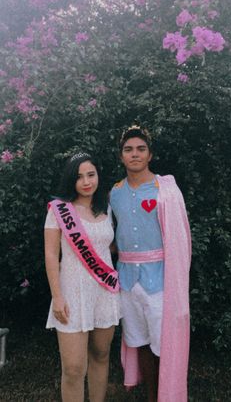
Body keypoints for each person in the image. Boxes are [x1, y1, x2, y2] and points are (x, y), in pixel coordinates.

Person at [110, 126, 191, 402]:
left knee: (162, 342)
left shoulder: (165, 189)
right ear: (121, 156)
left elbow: (179, 236)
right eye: (129, 149)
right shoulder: (114, 193)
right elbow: (111, 235)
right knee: (138, 340)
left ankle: (166, 395)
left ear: (150, 154)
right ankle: (151, 395)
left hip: (160, 278)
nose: (135, 154)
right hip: (127, 280)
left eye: (140, 149)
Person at [44, 152, 121, 402]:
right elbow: (50, 254)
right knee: (74, 368)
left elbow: (109, 247)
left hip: (104, 292)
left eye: (91, 174)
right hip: (71, 293)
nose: (86, 181)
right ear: (71, 180)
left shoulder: (106, 209)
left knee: (100, 355)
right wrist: (57, 296)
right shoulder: (59, 210)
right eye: (79, 177)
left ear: (98, 175)